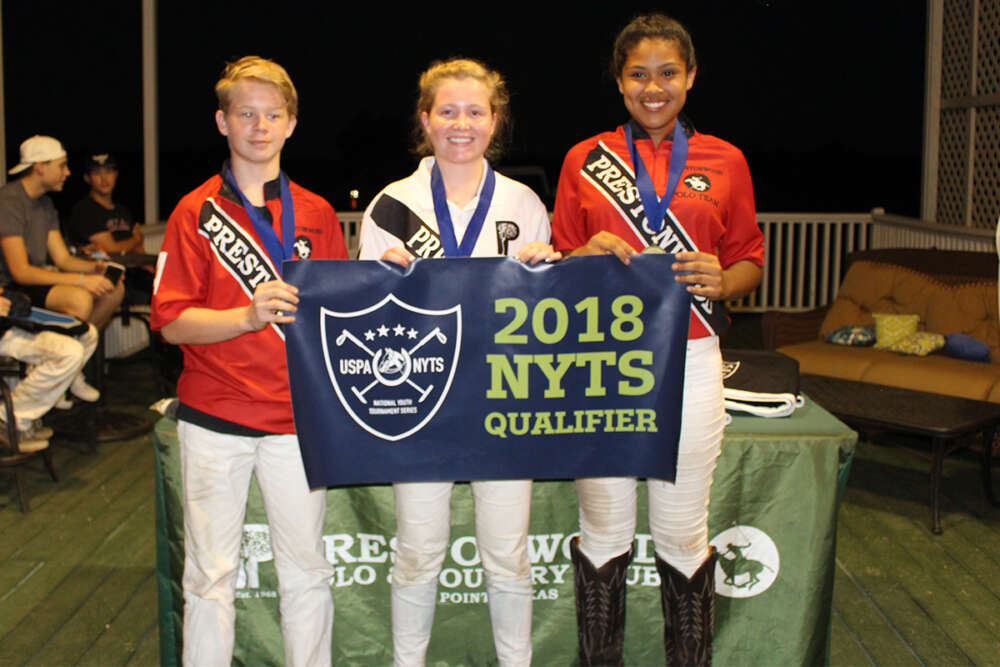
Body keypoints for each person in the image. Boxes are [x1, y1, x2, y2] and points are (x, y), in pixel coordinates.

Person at [550, 14, 764, 666]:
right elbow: (555, 262)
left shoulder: (725, 159)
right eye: (639, 73)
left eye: (667, 72)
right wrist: (584, 251)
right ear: (620, 82)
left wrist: (724, 279)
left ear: (690, 77)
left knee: (680, 532)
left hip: (692, 358)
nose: (654, 86)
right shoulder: (584, 159)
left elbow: (750, 257)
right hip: (599, 362)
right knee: (605, 532)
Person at [359, 58, 559, 667]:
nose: (461, 123)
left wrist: (546, 270)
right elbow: (364, 319)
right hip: (421, 402)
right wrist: (379, 281)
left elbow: (546, 320)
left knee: (508, 552)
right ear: (426, 118)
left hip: (502, 398)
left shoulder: (523, 203)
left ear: (494, 121)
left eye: (475, 111)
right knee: (418, 550)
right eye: (447, 110)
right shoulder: (391, 206)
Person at [150, 56, 347, 667]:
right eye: (245, 114)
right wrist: (247, 316)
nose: (259, 127)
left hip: (296, 421)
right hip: (214, 418)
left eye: (272, 115)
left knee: (306, 570)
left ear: (291, 124)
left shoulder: (316, 212)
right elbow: (171, 321)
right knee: (210, 575)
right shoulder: (193, 212)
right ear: (222, 122)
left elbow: (342, 314)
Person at [0, 136, 124, 330]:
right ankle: (65, 348)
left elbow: (63, 259)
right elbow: (21, 272)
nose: (67, 172)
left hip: (36, 279)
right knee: (79, 300)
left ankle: (76, 348)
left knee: (113, 290)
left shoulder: (45, 204)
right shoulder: (9, 203)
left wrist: (95, 269)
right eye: (62, 166)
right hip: (11, 287)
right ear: (40, 167)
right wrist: (82, 280)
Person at [0, 287, 98, 447]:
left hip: (10, 321)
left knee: (88, 333)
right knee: (70, 353)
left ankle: (35, 407)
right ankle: (9, 418)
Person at [70, 153, 153, 302]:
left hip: (135, 274)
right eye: (96, 173)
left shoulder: (123, 211)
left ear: (115, 174)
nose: (104, 179)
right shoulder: (84, 210)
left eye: (108, 171)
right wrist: (135, 239)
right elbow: (112, 249)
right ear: (87, 178)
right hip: (106, 276)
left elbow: (139, 249)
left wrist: (149, 266)